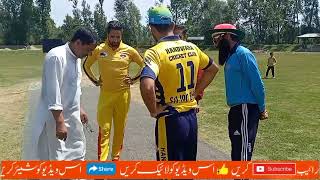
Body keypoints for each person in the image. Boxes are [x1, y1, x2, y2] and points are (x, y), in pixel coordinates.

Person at [140, 6, 219, 161]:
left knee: (167, 170)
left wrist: (153, 110)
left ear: (152, 28)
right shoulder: (192, 47)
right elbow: (213, 69)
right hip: (191, 118)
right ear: (173, 25)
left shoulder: (155, 52)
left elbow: (147, 85)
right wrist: (196, 92)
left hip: (170, 119)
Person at [23, 28, 97, 160]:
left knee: (77, 152)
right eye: (88, 50)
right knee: (56, 156)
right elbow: (53, 91)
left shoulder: (77, 58)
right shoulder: (56, 56)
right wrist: (60, 121)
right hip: (54, 119)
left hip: (72, 118)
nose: (90, 54)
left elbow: (74, 87)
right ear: (78, 43)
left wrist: (79, 108)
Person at [83, 20, 144, 161]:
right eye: (112, 37)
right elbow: (86, 65)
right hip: (106, 96)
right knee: (104, 129)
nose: (115, 40)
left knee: (119, 129)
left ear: (121, 35)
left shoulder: (129, 50)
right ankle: (102, 163)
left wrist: (134, 79)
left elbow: (145, 65)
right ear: (107, 35)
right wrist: (95, 81)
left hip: (123, 96)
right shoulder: (99, 49)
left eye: (118, 37)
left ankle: (115, 158)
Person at [210, 23, 268, 161]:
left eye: (217, 37)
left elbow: (257, 83)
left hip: (246, 109)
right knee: (237, 153)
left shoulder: (243, 54)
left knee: (242, 154)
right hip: (237, 110)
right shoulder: (231, 56)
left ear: (228, 36)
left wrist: (262, 108)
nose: (215, 41)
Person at [174, 25, 205, 104]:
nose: (176, 40)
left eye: (179, 37)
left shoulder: (193, 53)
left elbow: (200, 78)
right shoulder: (167, 55)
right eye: (173, 37)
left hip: (189, 102)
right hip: (173, 102)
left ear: (185, 37)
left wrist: (196, 98)